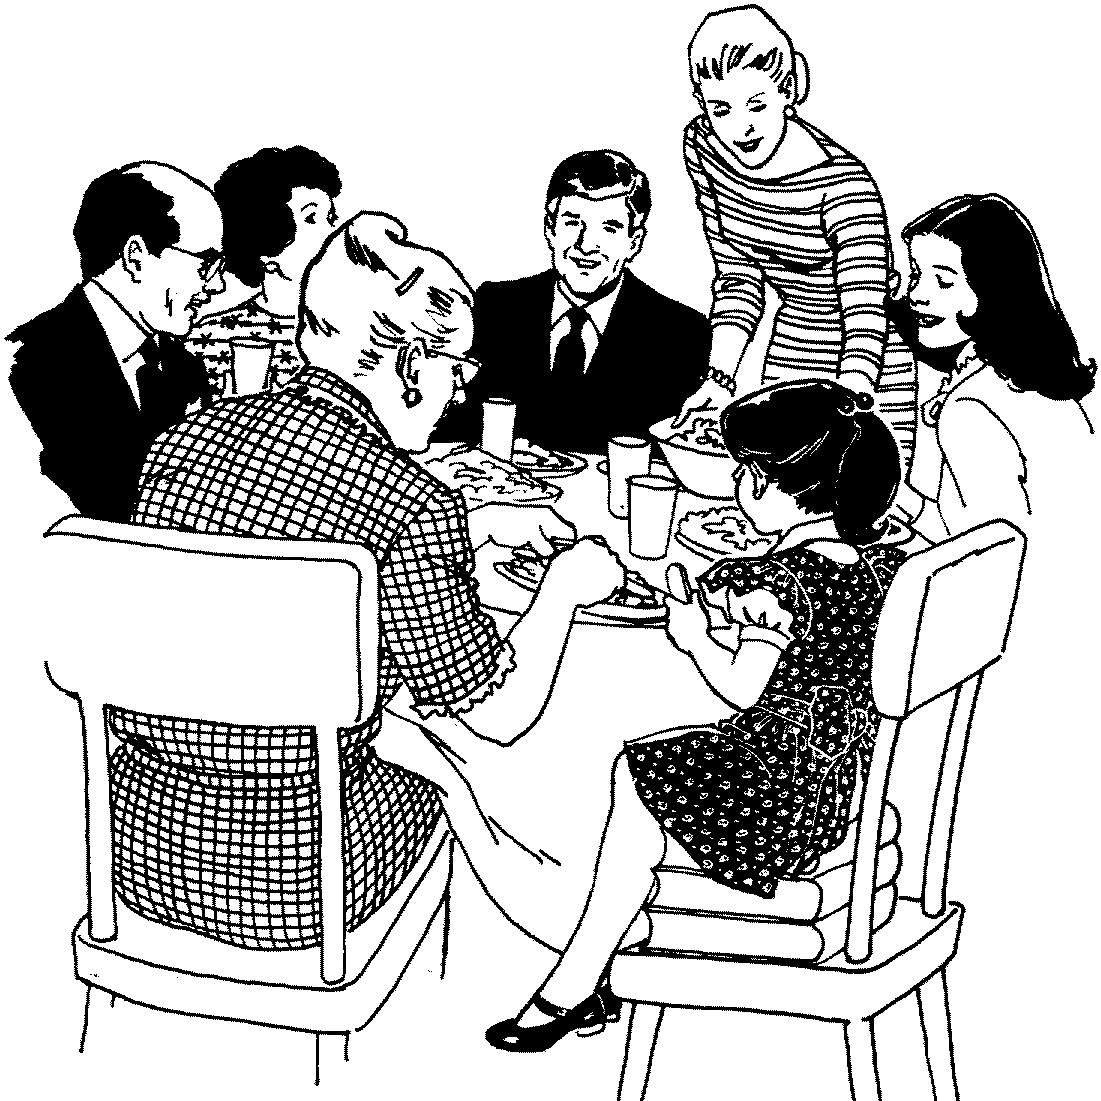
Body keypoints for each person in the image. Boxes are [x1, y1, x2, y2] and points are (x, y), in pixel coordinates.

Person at [116, 210, 625, 951]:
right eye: (457, 367)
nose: (458, 393)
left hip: (139, 846)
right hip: (306, 877)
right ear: (412, 366)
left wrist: (466, 542)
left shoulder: (174, 445)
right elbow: (498, 711)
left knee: (402, 724)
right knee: (461, 758)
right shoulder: (412, 503)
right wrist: (566, 587)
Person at [484, 379, 907, 1052]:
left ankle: (573, 980)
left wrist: (692, 634)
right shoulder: (883, 568)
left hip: (777, 805)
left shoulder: (782, 585)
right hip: (836, 786)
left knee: (638, 773)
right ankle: (590, 966)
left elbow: (742, 685)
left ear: (773, 486)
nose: (740, 486)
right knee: (654, 776)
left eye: (747, 473)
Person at [673, 6, 918, 464]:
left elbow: (865, 304)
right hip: (788, 353)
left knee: (861, 511)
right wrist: (719, 377)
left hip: (868, 366)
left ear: (789, 91)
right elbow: (736, 275)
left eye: (757, 104)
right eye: (720, 108)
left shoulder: (845, 184)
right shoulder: (702, 148)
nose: (739, 127)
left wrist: (854, 395)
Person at [434, 149, 711, 453]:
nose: (585, 245)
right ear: (549, 229)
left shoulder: (680, 331)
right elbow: (448, 424)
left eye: (609, 228)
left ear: (634, 241)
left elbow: (676, 452)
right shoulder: (496, 307)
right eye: (572, 222)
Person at [8, 162, 222, 521]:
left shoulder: (184, 369)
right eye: (205, 265)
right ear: (135, 257)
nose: (213, 285)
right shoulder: (28, 362)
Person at [890, 193, 1095, 540]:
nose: (917, 295)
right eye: (915, 275)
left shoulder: (971, 407)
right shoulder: (1030, 380)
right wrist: (901, 500)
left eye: (943, 281)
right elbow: (966, 527)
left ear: (996, 288)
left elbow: (992, 551)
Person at [189, 146, 342, 395]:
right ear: (264, 241)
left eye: (331, 219)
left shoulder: (351, 328)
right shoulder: (208, 337)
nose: (332, 233)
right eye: (311, 218)